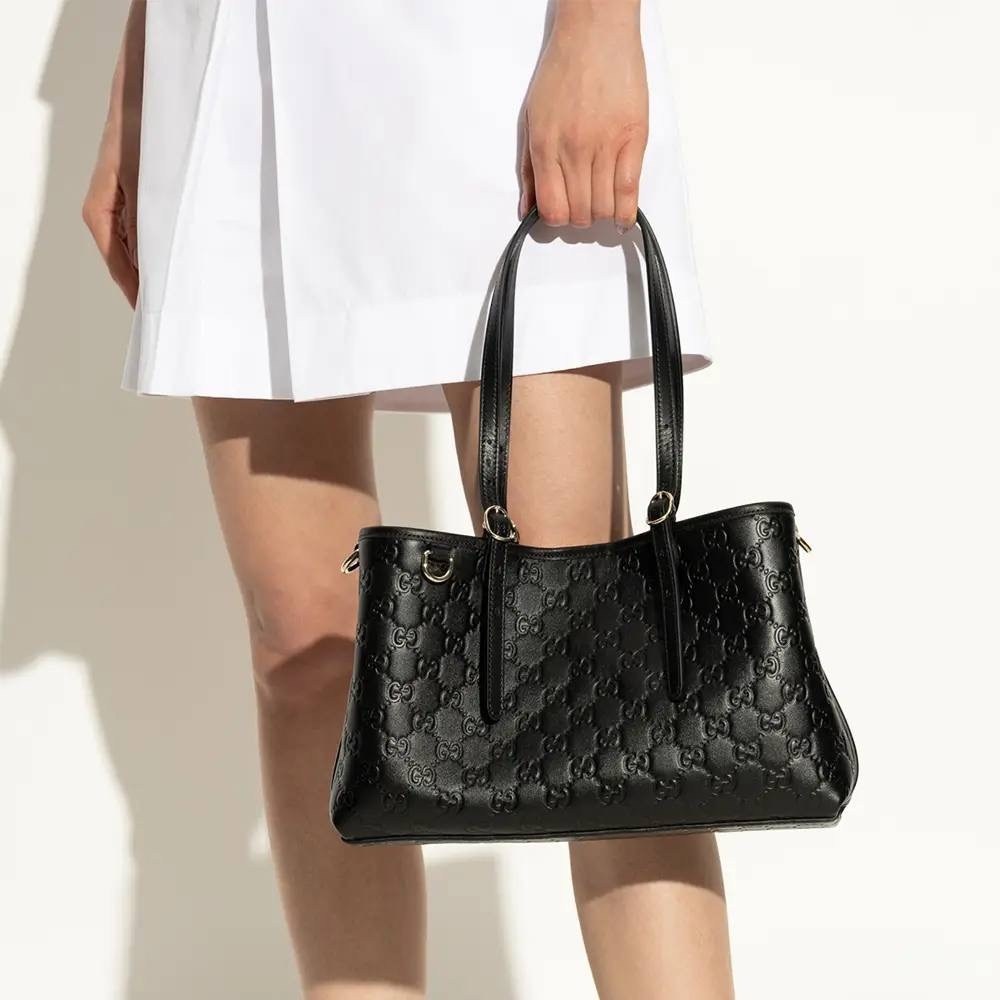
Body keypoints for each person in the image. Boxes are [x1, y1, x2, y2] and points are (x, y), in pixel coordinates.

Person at [83, 2, 734, 997]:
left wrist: (597, 33)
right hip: (228, 62)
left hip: (480, 54)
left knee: (586, 648)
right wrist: (138, 80)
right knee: (306, 644)